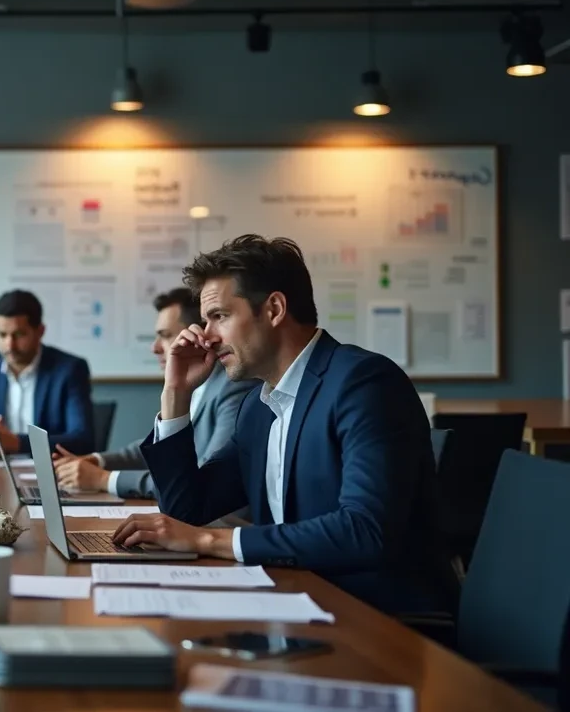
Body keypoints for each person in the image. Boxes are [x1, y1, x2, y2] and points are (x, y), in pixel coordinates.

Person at [109, 235, 449, 614]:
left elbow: (364, 531)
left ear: (273, 308)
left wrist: (209, 541)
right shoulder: (258, 405)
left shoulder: (363, 383)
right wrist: (176, 394)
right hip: (294, 599)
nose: (205, 336)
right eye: (205, 321)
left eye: (219, 316)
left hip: (380, 619)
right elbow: (188, 511)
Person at [53, 287, 254, 498]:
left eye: (166, 336)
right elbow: (155, 449)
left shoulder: (234, 387)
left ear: (197, 335)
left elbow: (202, 480)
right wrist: (96, 461)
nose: (155, 348)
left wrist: (102, 479)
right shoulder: (199, 384)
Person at [0, 289, 94, 456]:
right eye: (2, 335)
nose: (9, 345)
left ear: (40, 332)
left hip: (50, 475)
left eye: (19, 335)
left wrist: (18, 443)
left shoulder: (69, 370)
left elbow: (83, 439)